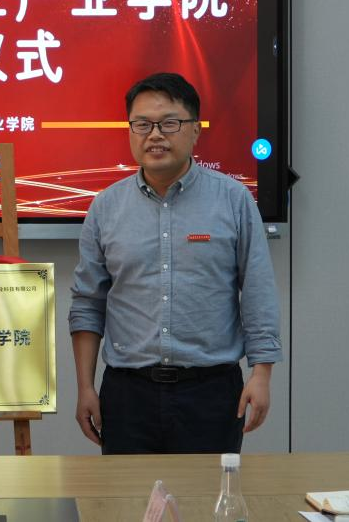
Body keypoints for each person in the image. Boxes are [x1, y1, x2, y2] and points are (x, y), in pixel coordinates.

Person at [69, 72, 281, 454]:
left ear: (195, 130)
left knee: (208, 493)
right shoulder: (106, 207)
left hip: (211, 393)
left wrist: (261, 374)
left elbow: (257, 290)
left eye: (169, 123)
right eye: (142, 124)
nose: (155, 135)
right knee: (127, 494)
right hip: (128, 394)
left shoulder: (233, 199)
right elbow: (88, 303)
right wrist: (85, 387)